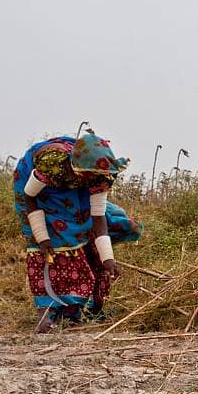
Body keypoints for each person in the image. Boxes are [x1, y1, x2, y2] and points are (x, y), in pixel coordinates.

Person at [13, 133, 141, 333]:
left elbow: (98, 218)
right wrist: (42, 236)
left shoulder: (100, 173)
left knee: (80, 234)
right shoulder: (52, 162)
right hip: (36, 191)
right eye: (90, 176)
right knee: (49, 248)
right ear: (79, 168)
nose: (94, 179)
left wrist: (108, 259)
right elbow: (30, 197)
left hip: (73, 189)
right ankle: (46, 314)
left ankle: (72, 313)